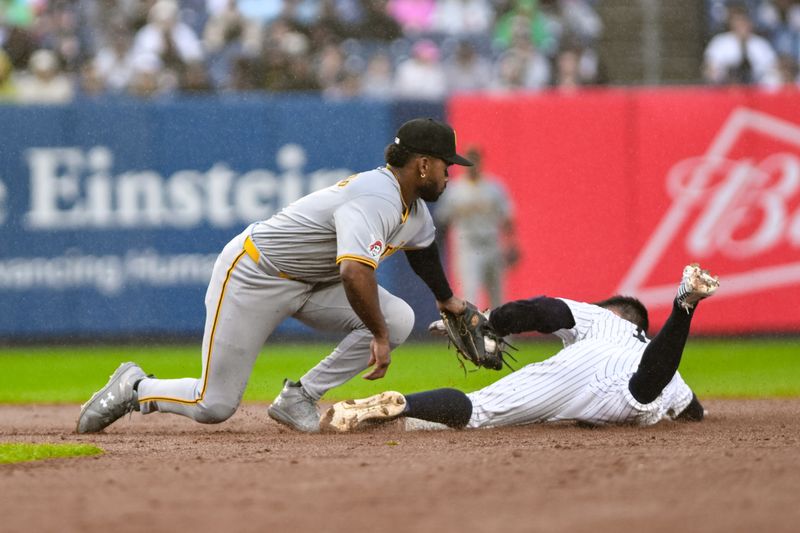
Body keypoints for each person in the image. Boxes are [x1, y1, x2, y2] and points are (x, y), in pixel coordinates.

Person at [76, 118, 472, 435]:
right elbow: (354, 272)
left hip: (314, 283)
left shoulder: (413, 209)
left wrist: (446, 299)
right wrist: (379, 338)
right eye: (445, 164)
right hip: (256, 275)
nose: (449, 173)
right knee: (213, 405)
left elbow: (423, 252)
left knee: (401, 317)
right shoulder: (376, 196)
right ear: (423, 164)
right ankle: (136, 387)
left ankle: (300, 397)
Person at [322, 263, 720, 432]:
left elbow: (543, 311)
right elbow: (691, 411)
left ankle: (405, 403)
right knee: (645, 389)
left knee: (476, 409)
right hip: (635, 382)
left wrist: (491, 320)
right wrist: (691, 414)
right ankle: (683, 306)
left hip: (572, 371)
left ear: (614, 312)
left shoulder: (602, 319)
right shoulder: (648, 347)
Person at [434, 146, 519, 310]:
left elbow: (507, 218)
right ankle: (471, 335)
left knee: (498, 296)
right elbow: (443, 222)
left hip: (492, 244)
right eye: (468, 161)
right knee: (469, 294)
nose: (472, 164)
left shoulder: (494, 187)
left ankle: (499, 335)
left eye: (475, 160)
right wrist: (437, 249)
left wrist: (512, 244)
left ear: (481, 162)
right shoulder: (455, 190)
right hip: (468, 246)